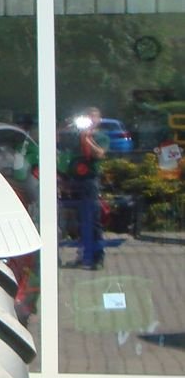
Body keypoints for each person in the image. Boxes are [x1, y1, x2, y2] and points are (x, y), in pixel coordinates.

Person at [71, 107, 107, 268]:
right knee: (79, 220)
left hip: (91, 180)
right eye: (88, 117)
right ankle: (83, 255)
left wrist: (88, 140)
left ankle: (98, 257)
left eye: (94, 117)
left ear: (99, 120)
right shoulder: (75, 137)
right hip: (75, 179)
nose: (91, 120)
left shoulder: (101, 136)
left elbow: (99, 154)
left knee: (93, 218)